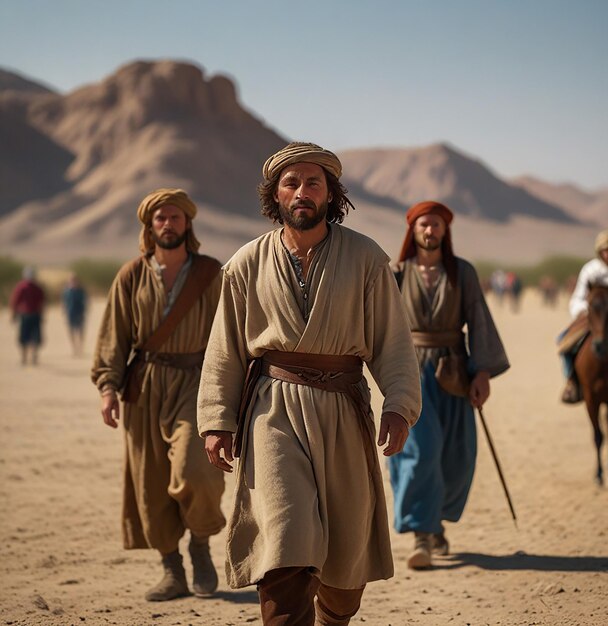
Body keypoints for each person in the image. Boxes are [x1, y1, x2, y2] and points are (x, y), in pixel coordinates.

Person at [196, 142, 422, 625]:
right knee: (284, 537)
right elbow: (225, 349)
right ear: (275, 195)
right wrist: (217, 421)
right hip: (271, 410)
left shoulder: (366, 258)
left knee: (344, 560)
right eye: (291, 183)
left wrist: (398, 405)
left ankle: (333, 617)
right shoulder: (245, 263)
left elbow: (392, 341)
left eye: (313, 182)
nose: (302, 191)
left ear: (330, 193)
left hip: (343, 408)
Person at [91, 188, 226, 601]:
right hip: (144, 386)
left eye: (175, 217)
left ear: (188, 224)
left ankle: (200, 547)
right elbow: (114, 336)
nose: (168, 224)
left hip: (196, 381)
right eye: (160, 219)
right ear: (150, 227)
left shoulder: (209, 272)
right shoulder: (131, 275)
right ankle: (172, 569)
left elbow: (229, 333)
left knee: (197, 470)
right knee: (148, 482)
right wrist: (108, 388)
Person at [388, 201, 510, 569]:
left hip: (455, 370)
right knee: (421, 451)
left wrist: (483, 373)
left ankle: (435, 518)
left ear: (445, 231)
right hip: (410, 371)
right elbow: (381, 324)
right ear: (413, 230)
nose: (430, 230)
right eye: (424, 224)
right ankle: (421, 534)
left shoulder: (463, 272)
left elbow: (479, 320)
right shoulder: (396, 273)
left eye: (437, 225)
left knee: (457, 456)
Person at [558, 230, 608, 403]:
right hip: (594, 315)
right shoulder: (590, 270)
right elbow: (578, 298)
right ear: (600, 251)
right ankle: (572, 382)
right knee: (564, 342)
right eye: (605, 249)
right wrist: (587, 310)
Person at [9, 266, 46, 366]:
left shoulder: (23, 286)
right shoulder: (27, 287)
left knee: (28, 337)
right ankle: (28, 357)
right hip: (30, 315)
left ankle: (27, 358)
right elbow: (42, 303)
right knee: (30, 337)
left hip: (29, 315)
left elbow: (14, 301)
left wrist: (13, 314)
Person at [62, 273, 88, 356]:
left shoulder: (81, 291)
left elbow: (86, 301)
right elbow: (64, 302)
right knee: (71, 331)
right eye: (71, 280)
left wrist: (85, 310)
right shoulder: (66, 291)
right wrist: (64, 311)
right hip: (70, 313)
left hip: (80, 313)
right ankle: (74, 348)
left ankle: (80, 348)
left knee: (80, 331)